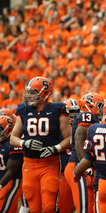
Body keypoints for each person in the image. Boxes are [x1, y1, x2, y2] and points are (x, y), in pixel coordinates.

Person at [10, 77, 71, 213]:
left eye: (33, 92)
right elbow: (13, 137)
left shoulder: (58, 109)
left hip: (50, 163)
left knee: (49, 207)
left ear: (44, 94)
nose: (29, 95)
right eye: (29, 92)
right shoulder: (23, 109)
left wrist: (56, 148)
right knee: (35, 208)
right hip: (29, 164)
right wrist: (24, 142)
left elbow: (70, 138)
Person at [64, 92, 104, 213]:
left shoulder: (92, 118)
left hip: (83, 165)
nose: (102, 109)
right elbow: (79, 141)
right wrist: (85, 167)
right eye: (99, 105)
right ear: (90, 106)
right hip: (79, 165)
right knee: (85, 208)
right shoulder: (87, 116)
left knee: (91, 206)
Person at [58, 99, 80, 213]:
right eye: (71, 112)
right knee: (63, 207)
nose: (74, 115)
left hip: (78, 170)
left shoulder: (82, 127)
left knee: (76, 205)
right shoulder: (59, 128)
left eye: (76, 112)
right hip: (63, 171)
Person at [0, 116, 23, 213]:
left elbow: (10, 171)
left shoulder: (12, 145)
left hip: (13, 182)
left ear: (8, 129)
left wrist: (0, 185)